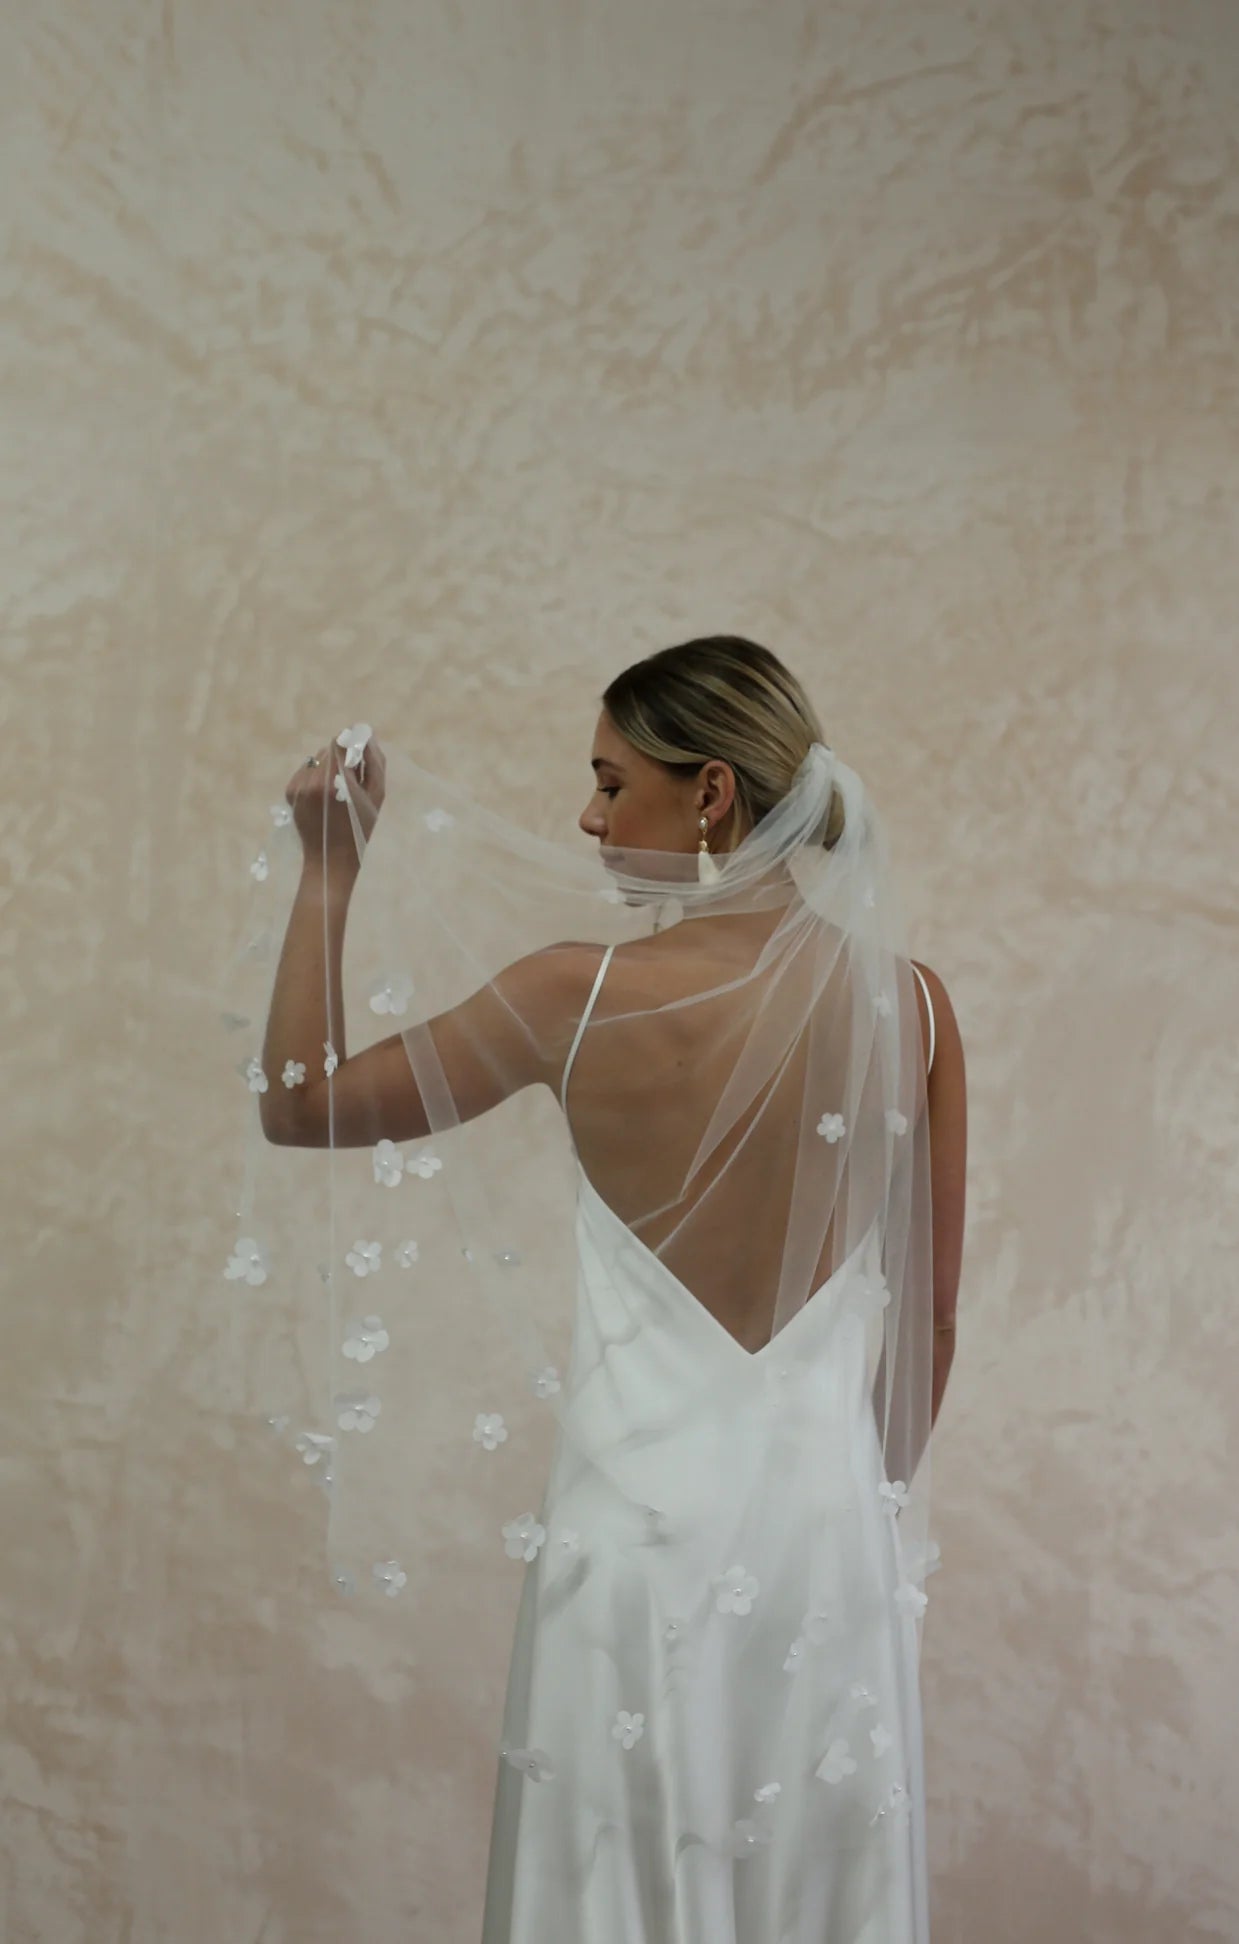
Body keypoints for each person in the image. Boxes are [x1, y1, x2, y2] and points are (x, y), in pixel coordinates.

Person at [233, 636, 966, 1942]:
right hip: (825, 1548)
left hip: (629, 1546)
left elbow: (303, 1107)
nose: (586, 815)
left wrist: (330, 871)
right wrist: (860, 1524)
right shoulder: (911, 1009)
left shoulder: (578, 997)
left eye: (610, 781)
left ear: (714, 797)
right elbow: (929, 1325)